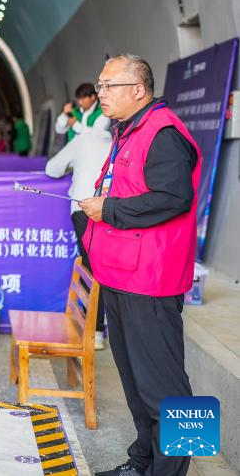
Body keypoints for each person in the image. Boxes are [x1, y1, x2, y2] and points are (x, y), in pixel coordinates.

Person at [79, 55, 200, 476]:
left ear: (138, 89)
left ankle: (173, 473)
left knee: (167, 388)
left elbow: (174, 198)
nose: (101, 94)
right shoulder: (128, 131)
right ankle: (143, 462)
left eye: (109, 85)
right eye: (99, 85)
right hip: (120, 275)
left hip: (151, 281)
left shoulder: (162, 133)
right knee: (135, 383)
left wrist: (108, 209)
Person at [45, 129, 113, 349]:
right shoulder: (119, 140)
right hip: (113, 209)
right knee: (104, 267)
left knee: (92, 269)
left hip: (85, 208)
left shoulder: (82, 140)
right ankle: (97, 328)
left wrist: (74, 165)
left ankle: (95, 330)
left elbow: (52, 169)